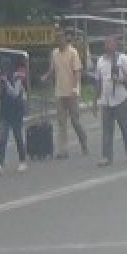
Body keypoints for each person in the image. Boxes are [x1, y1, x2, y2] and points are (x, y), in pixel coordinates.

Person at [41, 30, 88, 158]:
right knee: (61, 122)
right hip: (60, 92)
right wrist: (46, 76)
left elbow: (77, 72)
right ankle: (63, 150)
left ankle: (84, 142)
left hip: (71, 92)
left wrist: (75, 88)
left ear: (65, 39)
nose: (59, 41)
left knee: (75, 121)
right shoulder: (54, 53)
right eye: (57, 39)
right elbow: (52, 70)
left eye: (60, 38)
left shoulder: (73, 52)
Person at [93, 35, 127, 167]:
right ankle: (106, 156)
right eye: (106, 43)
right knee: (107, 129)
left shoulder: (122, 58)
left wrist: (121, 80)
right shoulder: (100, 61)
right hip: (106, 100)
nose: (108, 45)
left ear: (115, 45)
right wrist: (96, 100)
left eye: (110, 43)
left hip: (120, 98)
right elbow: (98, 81)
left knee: (124, 126)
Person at [0, 55, 27, 175]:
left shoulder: (17, 77)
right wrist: (0, 84)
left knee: (18, 136)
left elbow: (15, 93)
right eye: (3, 67)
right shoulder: (0, 78)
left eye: (6, 67)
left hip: (16, 110)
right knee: (2, 138)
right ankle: (0, 164)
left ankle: (22, 161)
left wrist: (6, 82)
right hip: (5, 111)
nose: (4, 70)